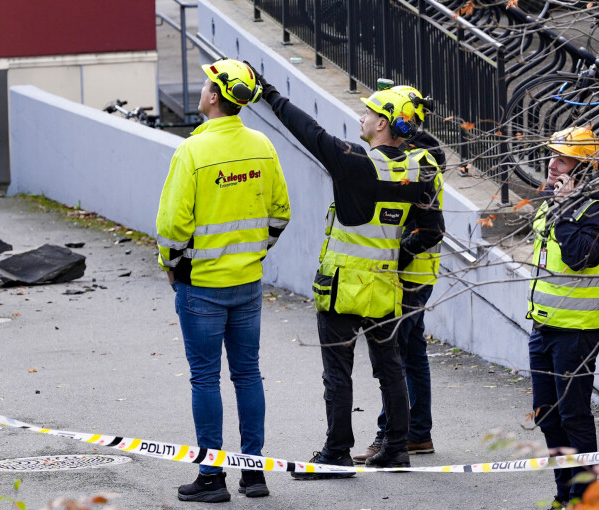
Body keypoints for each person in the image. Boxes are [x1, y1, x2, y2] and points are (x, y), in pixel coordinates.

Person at [249, 63, 443, 475]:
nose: (362, 117)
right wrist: (395, 258)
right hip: (385, 289)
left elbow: (307, 129)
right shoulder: (420, 171)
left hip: (340, 289)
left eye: (370, 113)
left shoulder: (354, 161)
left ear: (384, 125)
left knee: (338, 373)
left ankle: (336, 452)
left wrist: (267, 92)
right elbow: (431, 232)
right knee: (390, 369)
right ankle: (396, 449)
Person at [156, 58, 291, 503]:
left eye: (205, 85)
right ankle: (254, 475)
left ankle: (212, 478)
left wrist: (173, 266)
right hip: (247, 282)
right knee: (248, 375)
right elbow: (280, 214)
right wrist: (254, 253)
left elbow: (173, 227)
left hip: (201, 287)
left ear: (215, 96)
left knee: (205, 379)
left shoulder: (191, 152)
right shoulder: (262, 146)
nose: (201, 91)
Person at [355, 84, 446, 463]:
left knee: (392, 358)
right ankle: (416, 432)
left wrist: (396, 256)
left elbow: (426, 228)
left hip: (408, 277)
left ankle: (390, 434)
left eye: (369, 112)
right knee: (411, 354)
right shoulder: (420, 158)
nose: (361, 117)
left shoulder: (415, 164)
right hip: (415, 275)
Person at [525, 127, 599, 509]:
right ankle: (565, 495)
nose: (551, 163)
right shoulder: (550, 199)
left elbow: (581, 257)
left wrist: (563, 207)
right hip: (543, 325)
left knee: (574, 416)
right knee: (547, 415)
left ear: (581, 167)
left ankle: (586, 498)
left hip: (577, 331)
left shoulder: (598, 207)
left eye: (561, 158)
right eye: (552, 155)